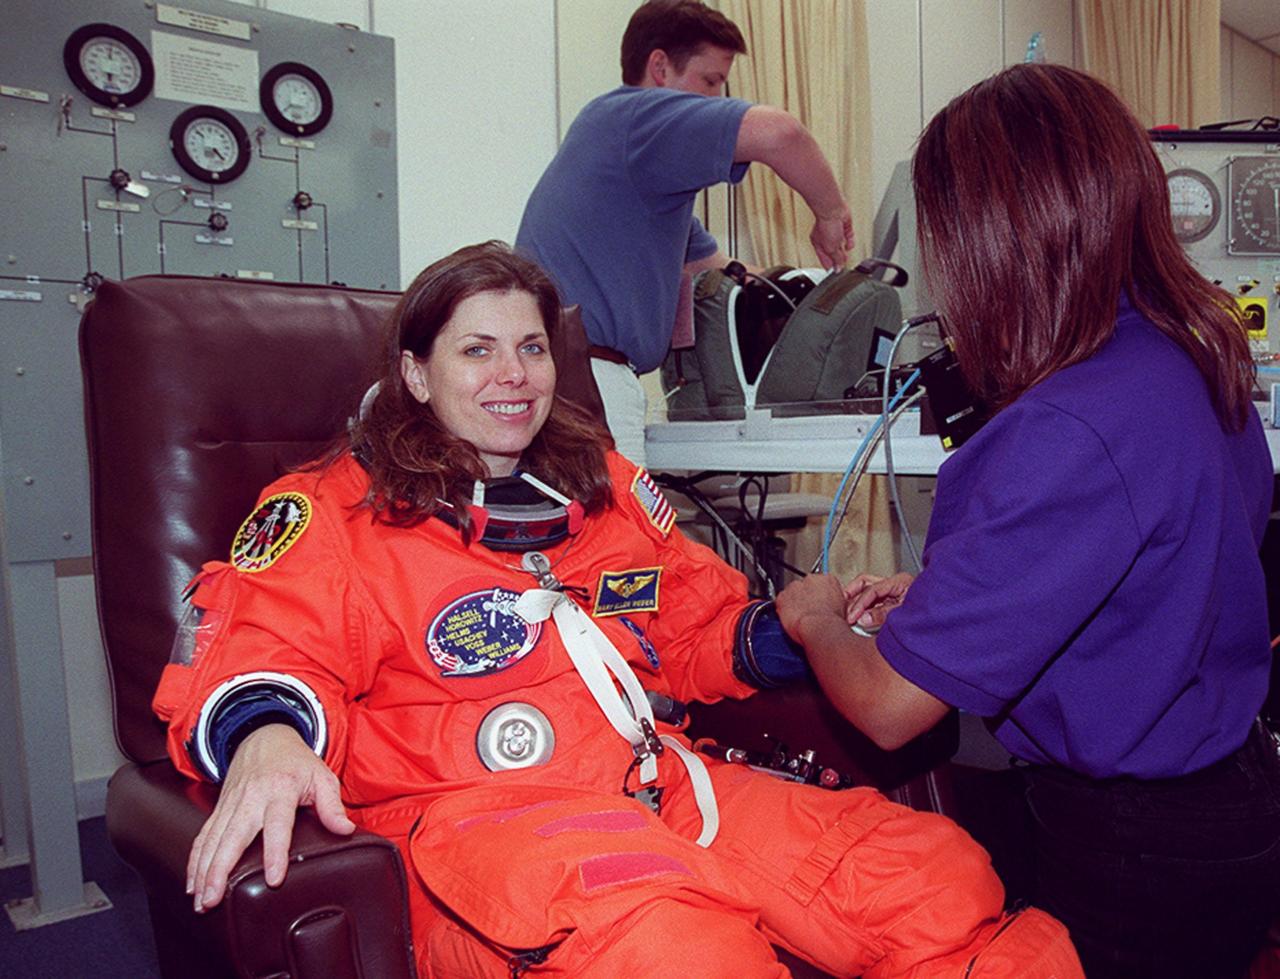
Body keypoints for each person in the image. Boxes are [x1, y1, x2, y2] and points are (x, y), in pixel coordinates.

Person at [153, 241, 1082, 978]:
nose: (512, 374)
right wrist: (268, 737)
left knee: (931, 881)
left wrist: (804, 623)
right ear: (417, 372)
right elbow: (259, 640)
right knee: (681, 953)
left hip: (657, 785)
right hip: (483, 821)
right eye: (477, 349)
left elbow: (686, 629)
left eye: (530, 347)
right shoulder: (336, 511)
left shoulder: (604, 491)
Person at [775, 64, 1280, 979]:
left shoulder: (1064, 426)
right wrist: (947, 597)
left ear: (992, 239)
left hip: (1131, 854)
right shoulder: (1194, 355)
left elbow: (889, 710)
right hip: (1233, 806)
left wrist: (813, 619)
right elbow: (1166, 565)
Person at [516, 0, 853, 465]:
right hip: (588, 378)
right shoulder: (639, 117)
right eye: (709, 81)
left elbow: (709, 266)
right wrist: (831, 214)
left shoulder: (634, 167)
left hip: (579, 374)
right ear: (659, 67)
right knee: (620, 535)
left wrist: (802, 294)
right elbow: (781, 134)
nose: (716, 100)